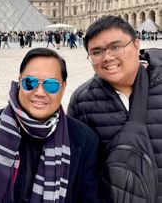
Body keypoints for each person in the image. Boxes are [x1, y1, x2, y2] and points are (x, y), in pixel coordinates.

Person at [0, 48, 100, 203]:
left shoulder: (85, 140)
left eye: (51, 85)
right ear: (20, 82)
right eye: (30, 82)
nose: (40, 92)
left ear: (63, 87)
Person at [67, 15, 162, 202]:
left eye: (116, 47)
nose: (108, 57)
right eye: (96, 52)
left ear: (136, 45)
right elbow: (82, 173)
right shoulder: (82, 101)